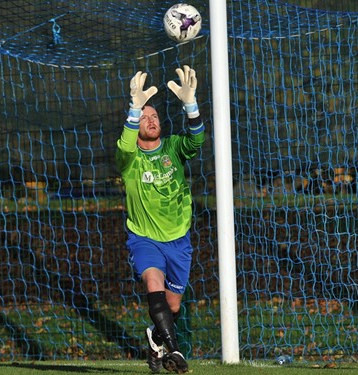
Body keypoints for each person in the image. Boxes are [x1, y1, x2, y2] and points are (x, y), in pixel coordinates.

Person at [115, 66, 205, 374]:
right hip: (144, 237)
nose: (151, 120)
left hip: (178, 240)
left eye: (154, 116)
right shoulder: (128, 160)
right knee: (152, 282)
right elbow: (126, 145)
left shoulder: (173, 148)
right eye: (144, 117)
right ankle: (175, 351)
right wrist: (133, 108)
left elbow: (196, 140)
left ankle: (156, 338)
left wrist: (190, 106)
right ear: (135, 125)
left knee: (174, 306)